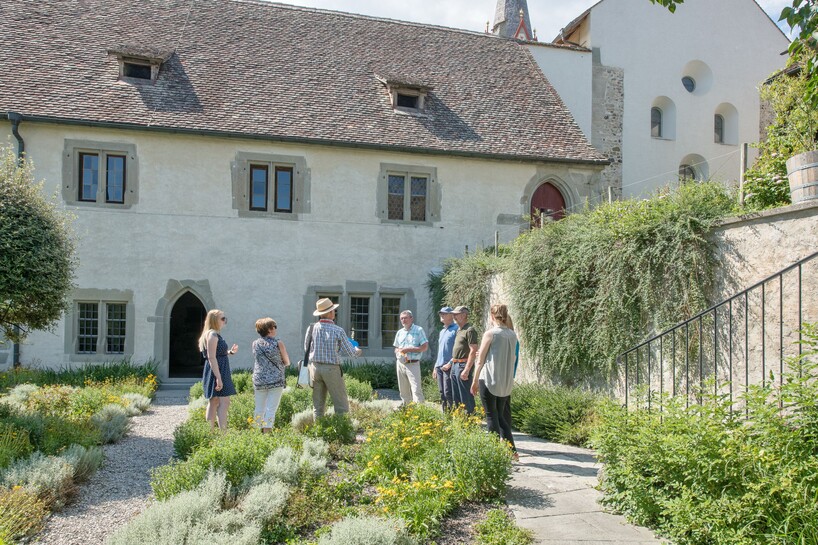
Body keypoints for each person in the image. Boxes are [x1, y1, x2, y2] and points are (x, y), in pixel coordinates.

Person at [471, 304, 519, 459]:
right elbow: (513, 357)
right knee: (500, 417)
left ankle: (493, 453)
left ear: (492, 316)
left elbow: (480, 360)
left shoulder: (490, 333)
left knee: (491, 416)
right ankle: (512, 452)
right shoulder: (512, 335)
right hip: (505, 381)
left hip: (489, 378)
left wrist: (475, 380)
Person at [306, 297, 362, 419]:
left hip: (315, 368)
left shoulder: (311, 328)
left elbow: (307, 348)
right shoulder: (338, 330)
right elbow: (351, 353)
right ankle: (343, 432)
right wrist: (357, 351)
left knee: (318, 405)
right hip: (332, 369)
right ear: (330, 313)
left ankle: (318, 432)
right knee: (341, 404)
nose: (334, 313)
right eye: (333, 311)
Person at [199, 309, 238, 430]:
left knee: (214, 401)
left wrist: (229, 352)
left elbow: (216, 353)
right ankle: (223, 434)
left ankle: (210, 432)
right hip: (217, 370)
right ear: (215, 320)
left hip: (217, 369)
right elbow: (211, 357)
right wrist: (219, 378)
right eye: (222, 318)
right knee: (223, 402)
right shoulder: (212, 335)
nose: (224, 321)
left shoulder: (212, 334)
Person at [251, 317, 291, 433]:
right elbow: (287, 362)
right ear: (269, 329)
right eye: (274, 327)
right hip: (275, 380)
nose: (275, 329)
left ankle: (256, 433)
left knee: (259, 408)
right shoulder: (278, 343)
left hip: (259, 379)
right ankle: (266, 434)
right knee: (271, 408)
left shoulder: (255, 344)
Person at [392, 310, 429, 405]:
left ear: (411, 318)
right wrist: (398, 352)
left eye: (405, 318)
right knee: (403, 391)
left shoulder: (418, 330)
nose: (403, 320)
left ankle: (420, 412)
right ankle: (407, 412)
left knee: (416, 390)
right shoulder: (400, 332)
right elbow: (396, 347)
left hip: (413, 363)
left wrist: (409, 349)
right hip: (400, 363)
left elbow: (424, 347)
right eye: (401, 318)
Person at [450, 305, 478, 414]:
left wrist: (466, 369)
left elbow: (473, 350)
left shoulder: (469, 330)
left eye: (456, 314)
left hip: (463, 365)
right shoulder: (459, 330)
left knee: (465, 395)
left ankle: (470, 421)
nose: (454, 316)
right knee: (456, 396)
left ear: (464, 315)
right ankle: (460, 420)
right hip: (455, 364)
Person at [432, 306, 457, 411]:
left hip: (449, 366)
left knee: (448, 392)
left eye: (444, 313)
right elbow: (440, 351)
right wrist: (435, 367)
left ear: (451, 315)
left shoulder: (456, 329)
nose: (441, 315)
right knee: (442, 392)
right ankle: (445, 415)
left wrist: (450, 363)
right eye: (440, 313)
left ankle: (453, 415)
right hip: (440, 366)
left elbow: (459, 350)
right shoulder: (442, 331)